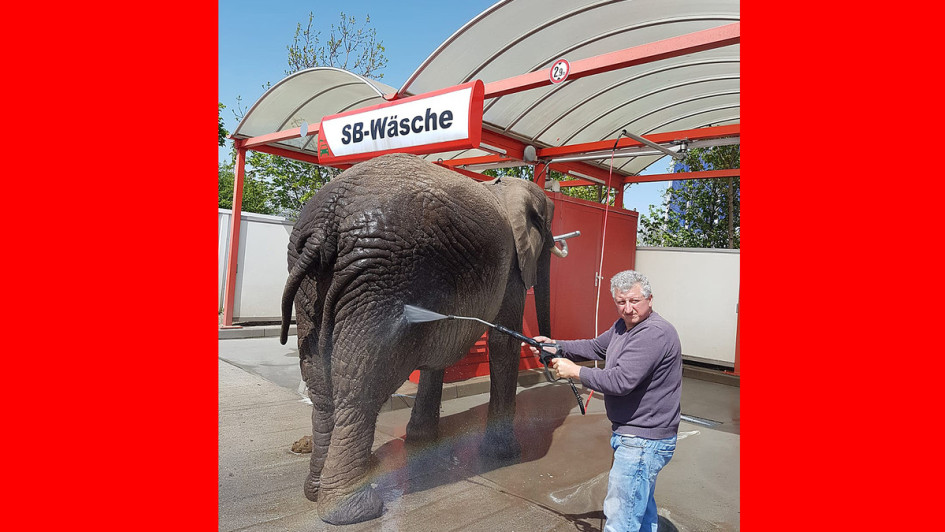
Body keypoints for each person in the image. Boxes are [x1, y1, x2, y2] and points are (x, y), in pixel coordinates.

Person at [527, 269, 682, 532]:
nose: (628, 308)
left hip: (643, 440)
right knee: (639, 509)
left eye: (635, 301)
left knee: (621, 517)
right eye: (621, 302)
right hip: (636, 436)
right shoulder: (624, 326)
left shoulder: (653, 333)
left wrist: (575, 371)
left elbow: (620, 381)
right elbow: (597, 347)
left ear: (650, 299)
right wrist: (556, 346)